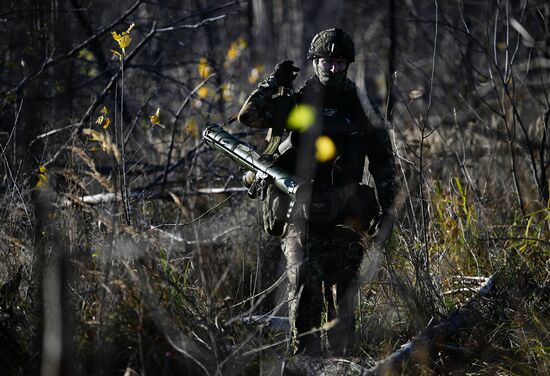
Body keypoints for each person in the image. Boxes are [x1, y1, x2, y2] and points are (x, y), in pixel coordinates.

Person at [238, 28, 396, 356]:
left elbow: (383, 163)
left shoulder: (361, 107)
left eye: (340, 62)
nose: (334, 68)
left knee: (345, 291)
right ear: (315, 62)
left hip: (347, 214)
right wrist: (270, 84)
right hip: (301, 211)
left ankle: (341, 362)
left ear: (348, 64)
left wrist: (387, 211)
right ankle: (306, 360)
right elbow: (248, 117)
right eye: (327, 61)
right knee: (304, 287)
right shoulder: (299, 103)